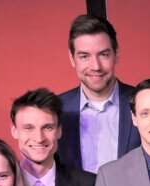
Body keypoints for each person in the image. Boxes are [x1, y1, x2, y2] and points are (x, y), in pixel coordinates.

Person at [58, 14, 140, 172]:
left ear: (116, 54)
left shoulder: (141, 102)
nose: (95, 66)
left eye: (103, 54)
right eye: (84, 56)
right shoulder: (56, 110)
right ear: (72, 58)